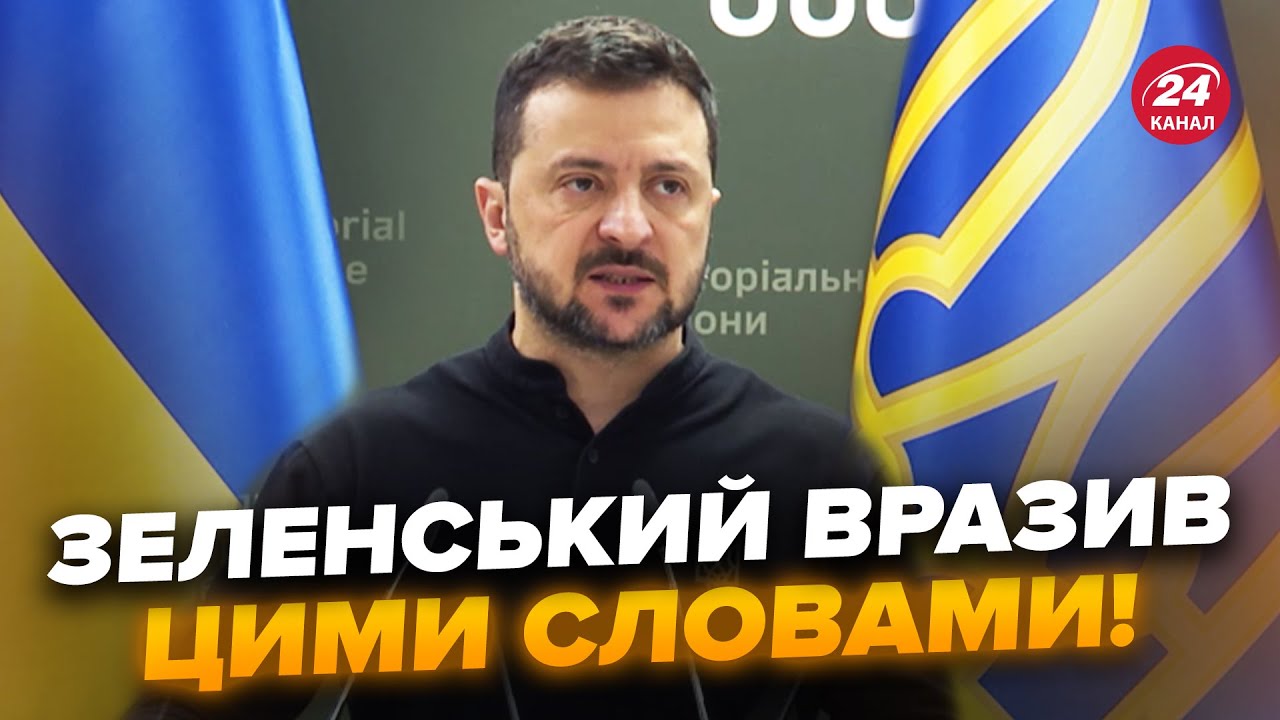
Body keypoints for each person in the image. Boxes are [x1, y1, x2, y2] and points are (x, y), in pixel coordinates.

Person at [131, 15, 954, 719]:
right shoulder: (352, 473)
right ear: (497, 215)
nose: (628, 226)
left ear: (707, 213)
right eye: (581, 183)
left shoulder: (822, 481)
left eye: (668, 186)